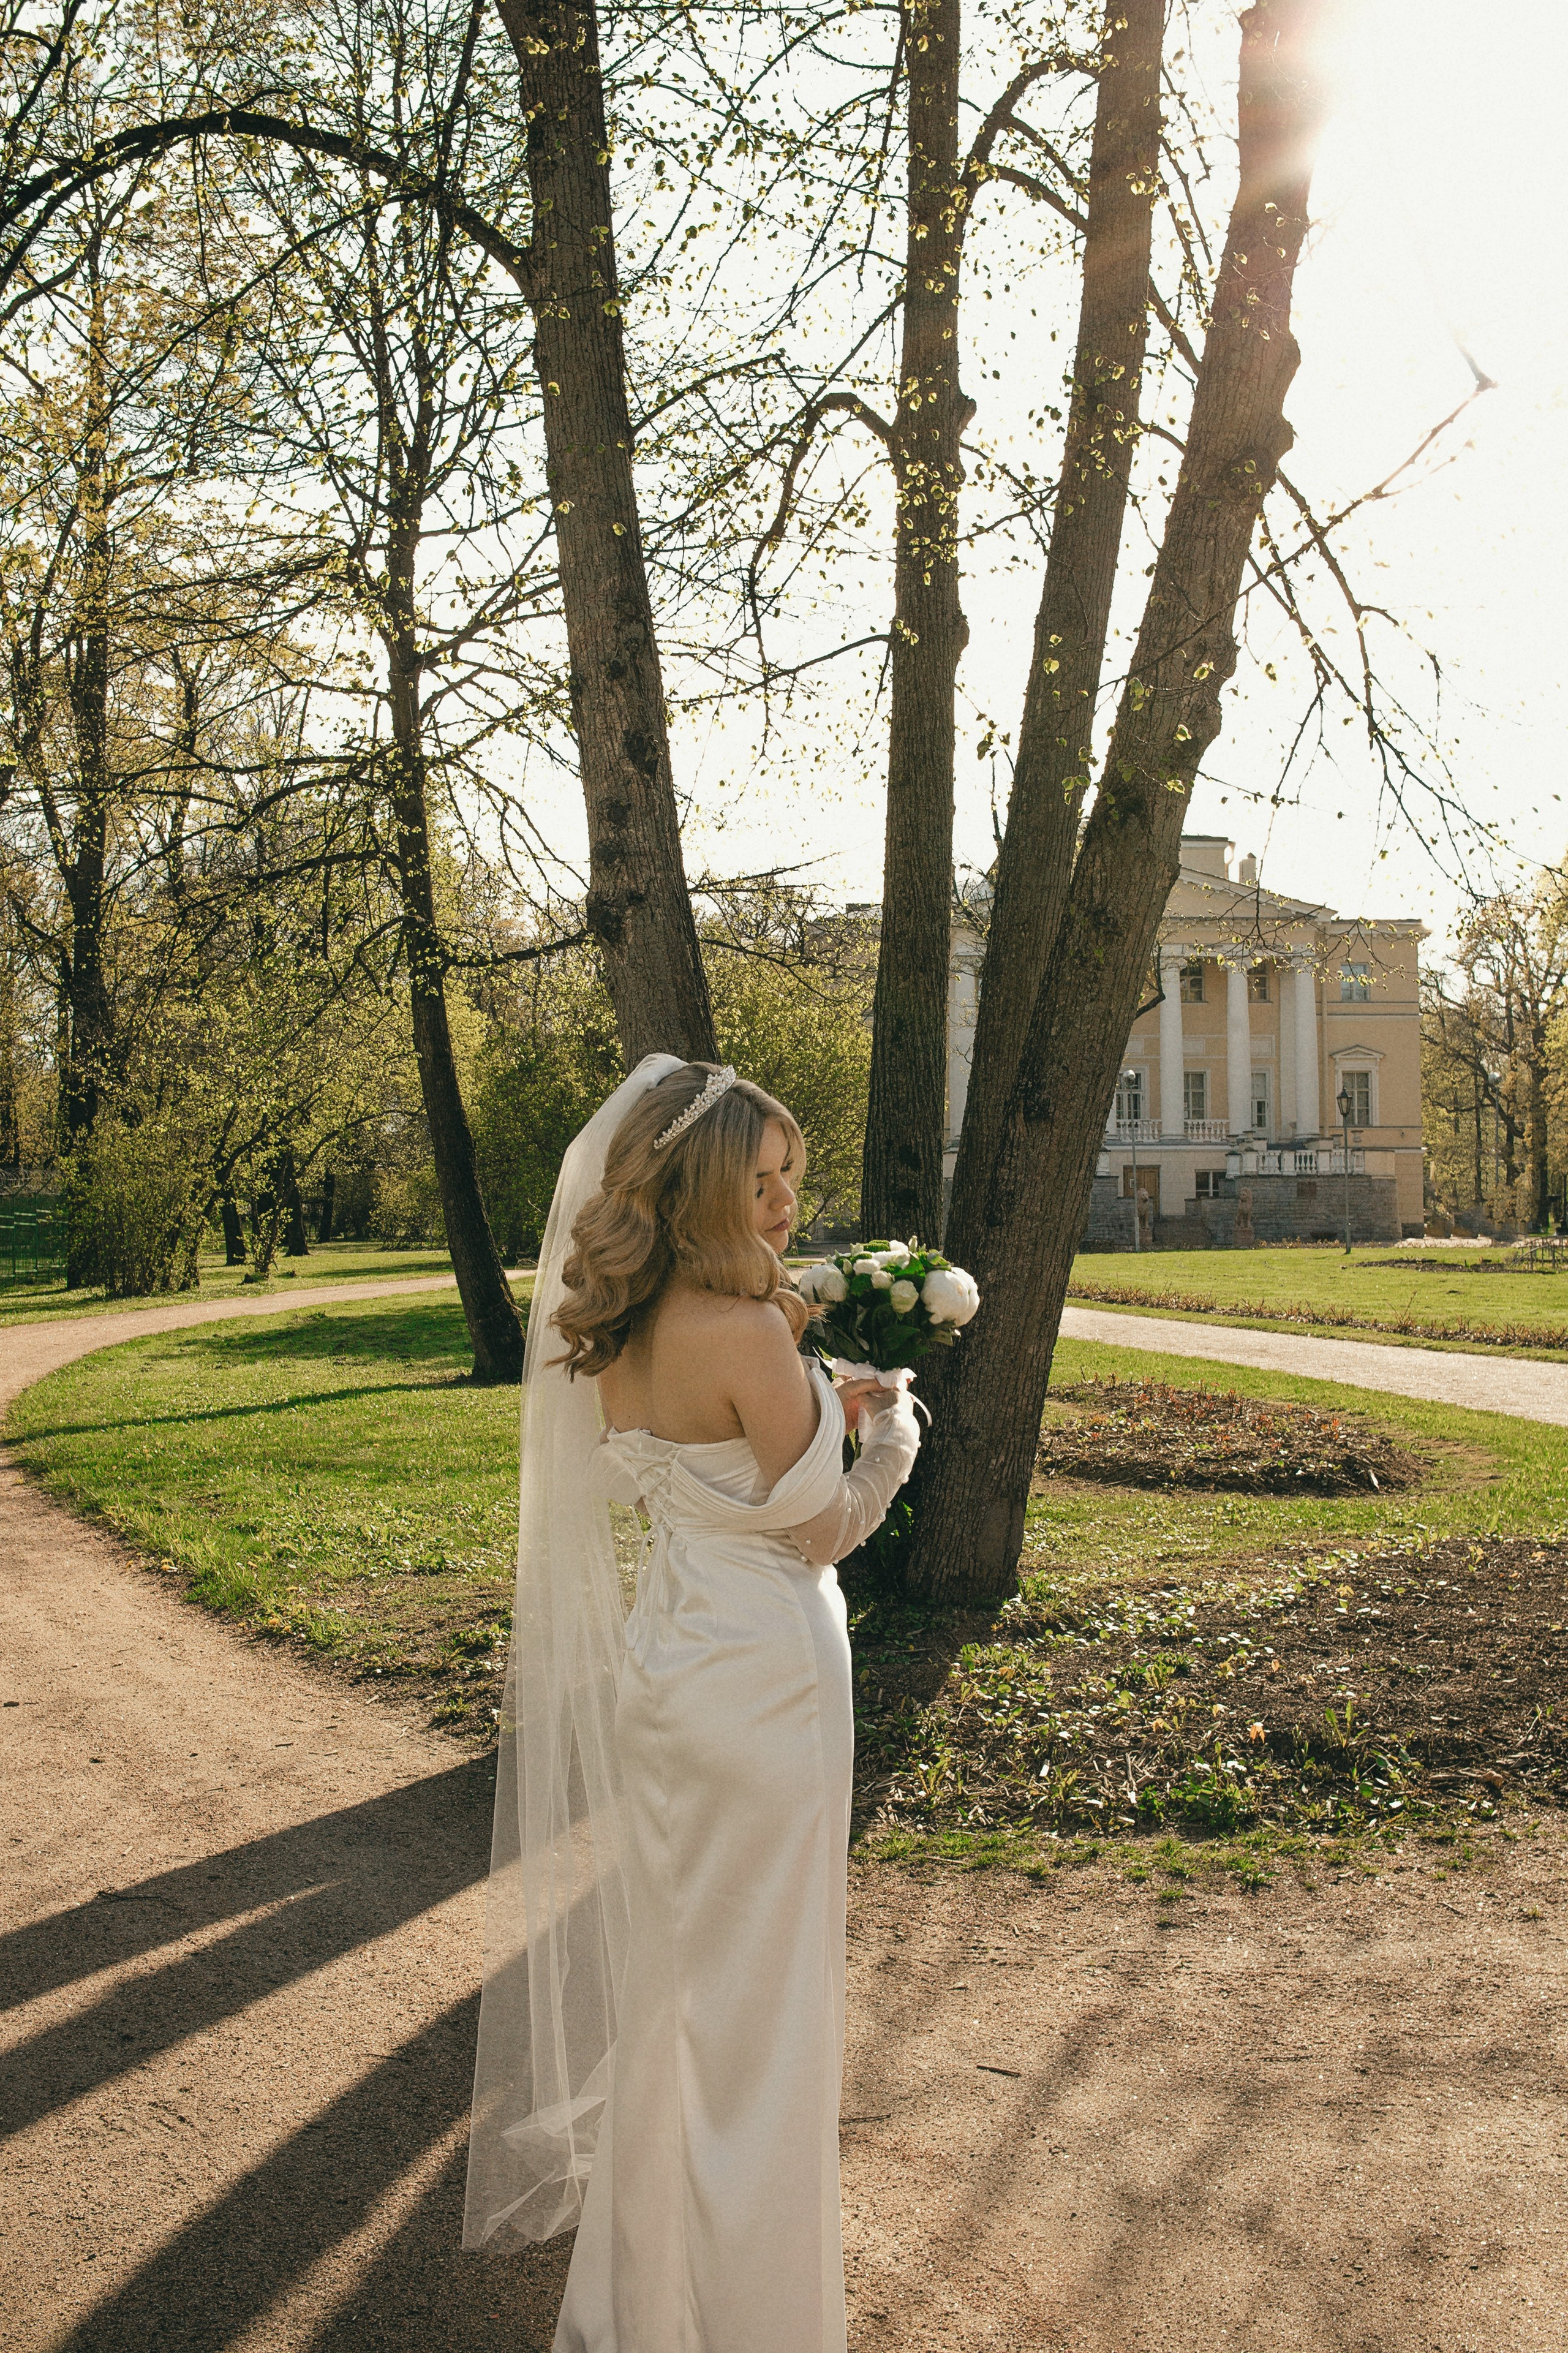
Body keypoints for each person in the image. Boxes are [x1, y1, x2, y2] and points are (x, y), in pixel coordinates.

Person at [464, 1055, 922, 2353]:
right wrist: (889, 1437)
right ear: (704, 1190)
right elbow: (822, 1529)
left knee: (677, 1990)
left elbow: (706, 1468)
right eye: (761, 1182)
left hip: (669, 1667)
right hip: (766, 1675)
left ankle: (644, 2304)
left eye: (789, 1177)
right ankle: (748, 2315)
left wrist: (809, 1417)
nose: (784, 1205)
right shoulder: (749, 1330)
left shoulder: (624, 1327)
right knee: (765, 2001)